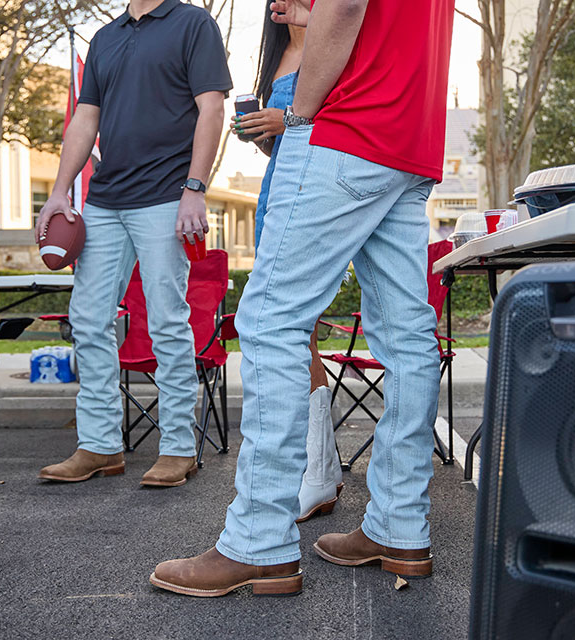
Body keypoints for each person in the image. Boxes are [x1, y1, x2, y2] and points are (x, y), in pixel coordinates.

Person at [150, 0, 455, 597]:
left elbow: (344, 6)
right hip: (409, 138)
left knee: (270, 321)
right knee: (407, 338)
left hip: (346, 128)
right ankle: (399, 526)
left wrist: (298, 113)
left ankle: (259, 540)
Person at [35, 0, 233, 487]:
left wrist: (195, 188)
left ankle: (179, 448)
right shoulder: (104, 38)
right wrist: (59, 192)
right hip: (104, 200)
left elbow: (212, 108)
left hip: (166, 196)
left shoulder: (193, 24)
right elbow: (85, 119)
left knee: (167, 320)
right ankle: (99, 445)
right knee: (88, 319)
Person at [230, 1, 342, 523]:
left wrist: (292, 119)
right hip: (278, 191)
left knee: (297, 330)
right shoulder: (275, 55)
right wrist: (264, 132)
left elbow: (339, 121)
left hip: (321, 192)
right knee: (293, 334)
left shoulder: (334, 38)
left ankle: (315, 472)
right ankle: (316, 468)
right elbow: (283, 140)